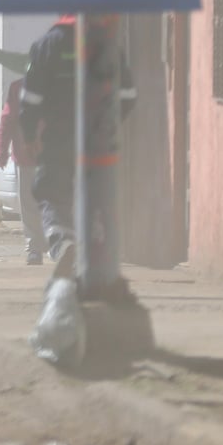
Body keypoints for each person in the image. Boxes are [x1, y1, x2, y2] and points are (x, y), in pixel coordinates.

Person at [19, 16, 137, 279]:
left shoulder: (46, 46)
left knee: (51, 191)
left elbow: (30, 99)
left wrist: (29, 134)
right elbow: (129, 95)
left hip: (59, 137)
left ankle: (63, 244)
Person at [0, 77, 48, 265]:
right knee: (45, 202)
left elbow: (7, 120)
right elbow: (8, 120)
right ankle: (38, 246)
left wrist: (2, 151)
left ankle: (38, 246)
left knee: (30, 203)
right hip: (37, 156)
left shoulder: (19, 87)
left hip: (39, 155)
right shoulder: (19, 88)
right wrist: (1, 150)